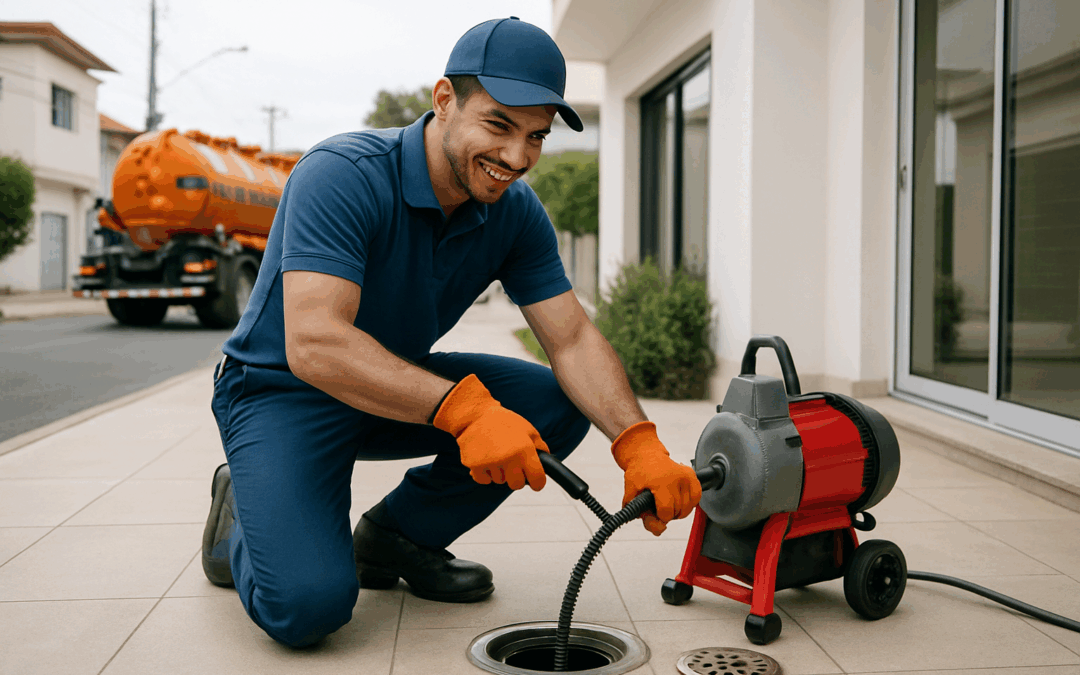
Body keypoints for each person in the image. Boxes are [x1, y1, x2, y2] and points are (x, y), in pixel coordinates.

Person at [203, 16, 702, 648]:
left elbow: (572, 338)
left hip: (391, 389)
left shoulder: (514, 213)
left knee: (552, 403)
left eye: (535, 136)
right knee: (307, 608)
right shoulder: (342, 174)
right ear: (444, 100)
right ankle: (240, 511)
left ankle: (395, 539)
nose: (517, 158)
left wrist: (638, 444)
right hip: (281, 392)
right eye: (498, 125)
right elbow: (315, 343)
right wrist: (467, 412)